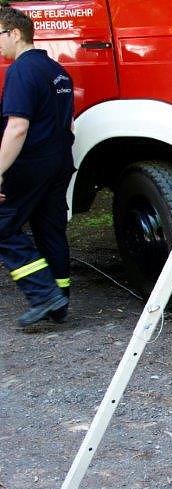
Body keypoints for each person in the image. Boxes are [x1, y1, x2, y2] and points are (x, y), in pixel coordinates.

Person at [0, 6, 74, 327]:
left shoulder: (20, 71)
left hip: (31, 166)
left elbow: (17, 127)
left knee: (2, 228)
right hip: (59, 163)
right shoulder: (56, 69)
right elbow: (68, 126)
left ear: (15, 34)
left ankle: (43, 295)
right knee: (50, 231)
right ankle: (59, 303)